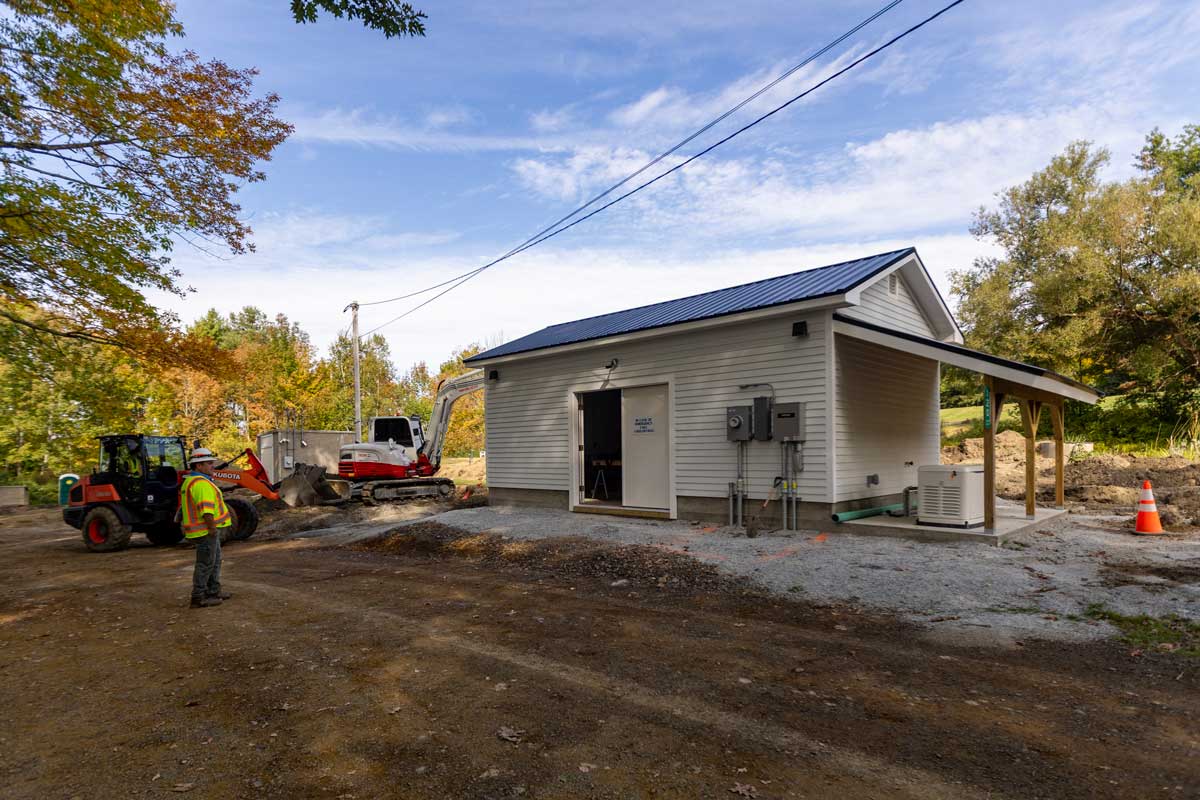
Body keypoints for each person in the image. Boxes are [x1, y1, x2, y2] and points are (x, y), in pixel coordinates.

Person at [181, 447, 234, 608]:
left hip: (205, 530)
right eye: (209, 463)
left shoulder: (195, 481)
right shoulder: (201, 484)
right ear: (198, 466)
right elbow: (207, 510)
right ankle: (198, 597)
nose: (213, 466)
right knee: (205, 564)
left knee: (215, 561)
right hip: (204, 531)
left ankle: (213, 591)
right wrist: (212, 529)